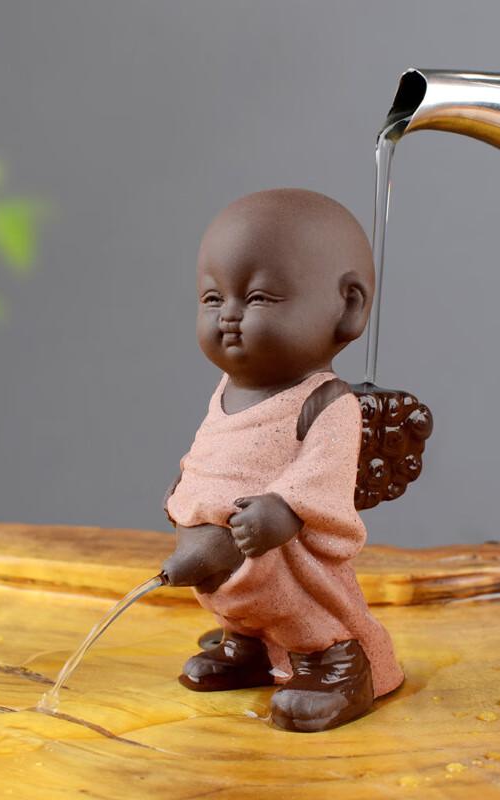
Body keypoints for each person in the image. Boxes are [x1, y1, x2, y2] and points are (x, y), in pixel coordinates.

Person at [162, 188, 404, 732]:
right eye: (212, 298)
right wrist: (184, 490)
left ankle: (334, 663)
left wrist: (286, 508)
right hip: (228, 558)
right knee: (240, 603)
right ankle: (247, 645)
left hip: (283, 553)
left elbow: (325, 471)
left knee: (300, 608)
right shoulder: (227, 390)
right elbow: (213, 449)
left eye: (259, 298)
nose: (229, 315)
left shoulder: (326, 402)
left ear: (347, 307)